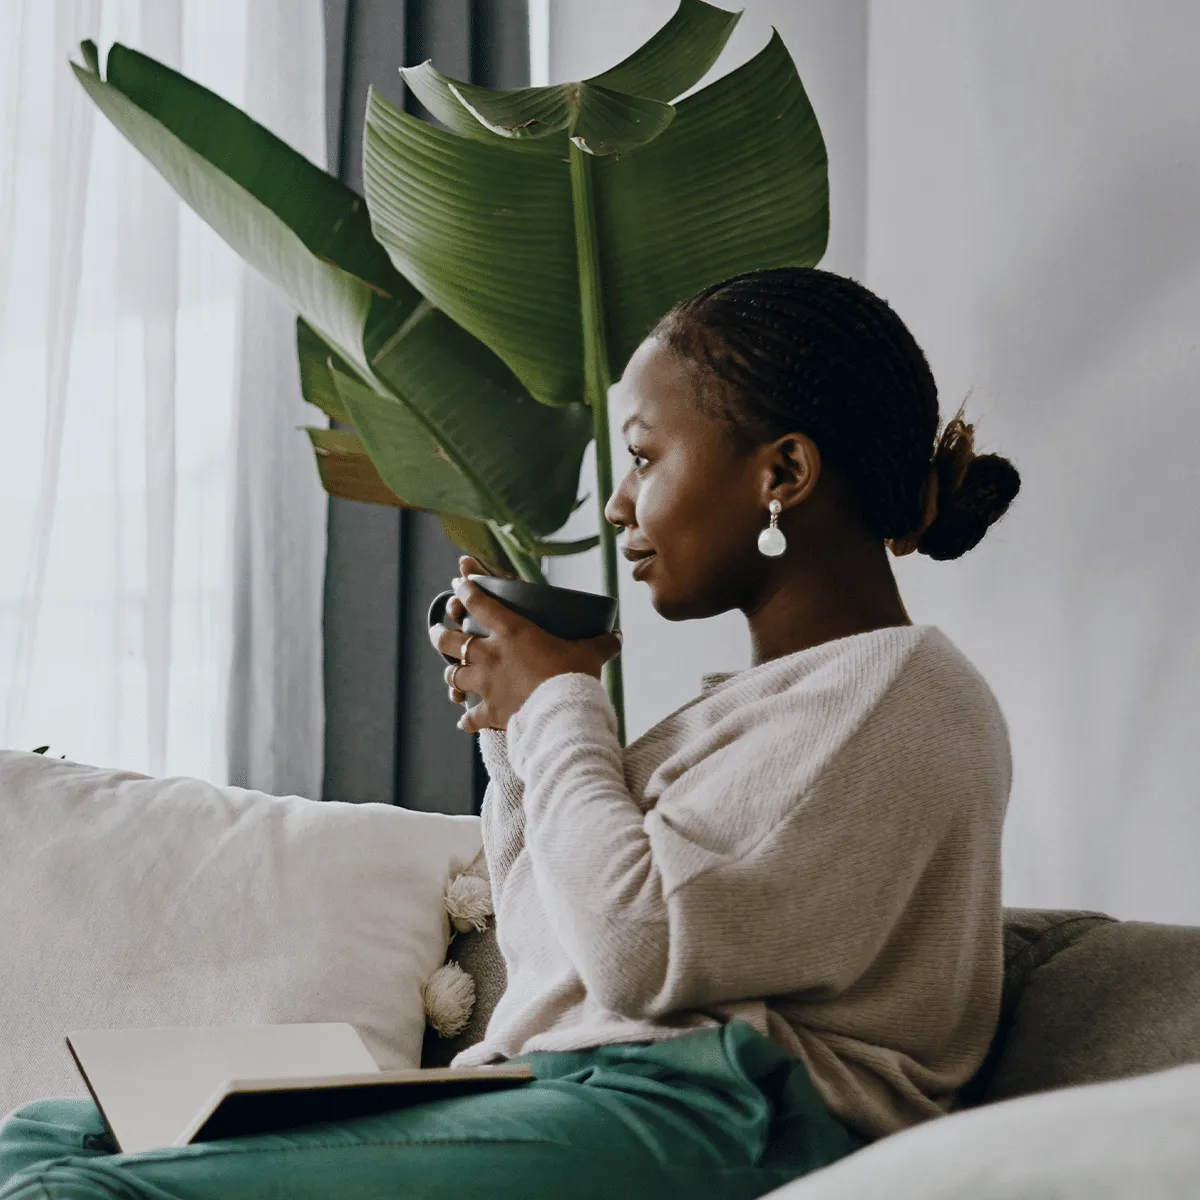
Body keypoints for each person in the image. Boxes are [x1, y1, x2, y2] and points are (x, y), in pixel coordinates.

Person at [0, 266, 1019, 1198]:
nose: (620, 504)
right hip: (601, 1093)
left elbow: (635, 950)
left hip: (721, 1118)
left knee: (74, 1193)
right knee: (45, 1136)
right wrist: (514, 735)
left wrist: (557, 704)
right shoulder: (760, 708)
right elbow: (554, 953)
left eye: (645, 458)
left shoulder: (898, 692)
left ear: (783, 472)